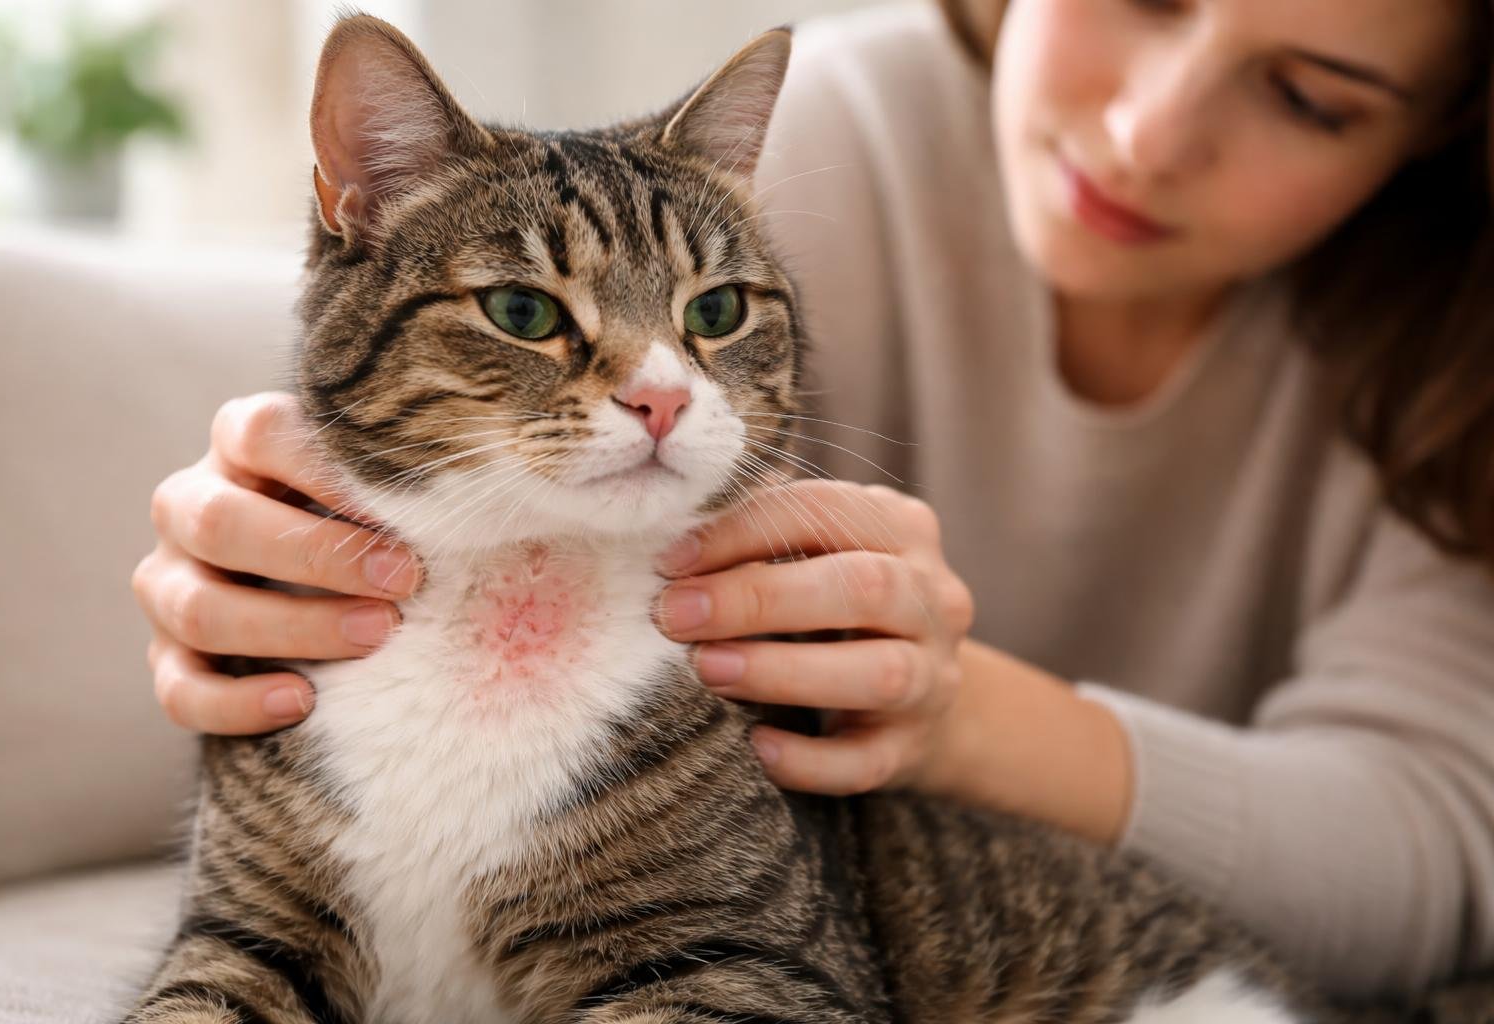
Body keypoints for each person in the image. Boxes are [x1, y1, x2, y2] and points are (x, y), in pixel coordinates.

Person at [130, 0, 1494, 1002]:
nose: (1148, 133)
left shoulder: (1457, 327)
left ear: (1446, 132)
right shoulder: (824, 137)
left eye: (1311, 96)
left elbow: (1439, 839)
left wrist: (955, 712)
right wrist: (255, 527)